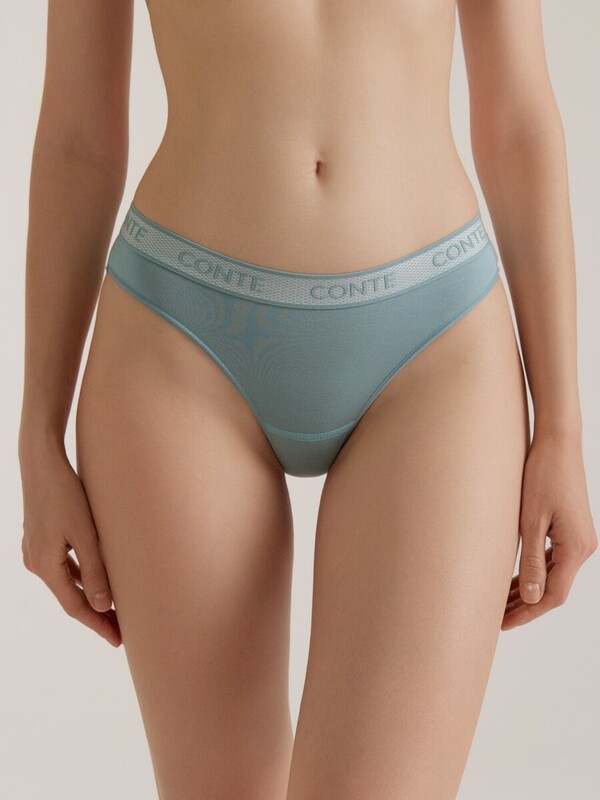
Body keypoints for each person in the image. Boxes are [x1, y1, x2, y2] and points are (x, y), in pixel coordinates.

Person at [18, 1, 597, 798]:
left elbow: (520, 121)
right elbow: (77, 139)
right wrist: (37, 436)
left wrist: (562, 425)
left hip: (433, 349)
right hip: (180, 340)